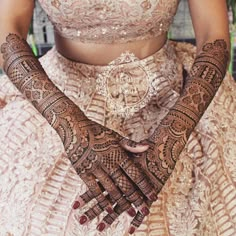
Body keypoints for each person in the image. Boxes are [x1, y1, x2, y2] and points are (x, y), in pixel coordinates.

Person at [0, 0, 235, 235]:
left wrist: (172, 137)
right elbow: (8, 29)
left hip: (165, 94)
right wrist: (68, 124)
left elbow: (213, 34)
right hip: (54, 97)